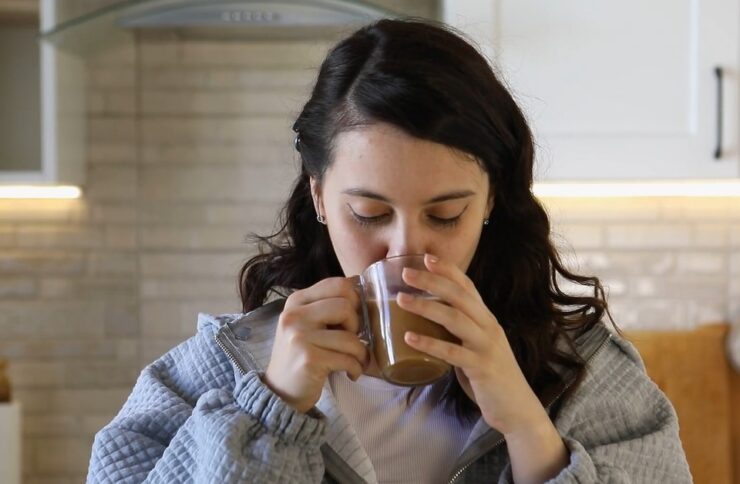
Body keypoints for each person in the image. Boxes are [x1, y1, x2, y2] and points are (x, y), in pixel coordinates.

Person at [86, 17, 692, 484]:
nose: (406, 249)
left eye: (446, 214)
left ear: (490, 202)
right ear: (320, 197)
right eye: (370, 214)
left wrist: (529, 426)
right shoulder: (217, 371)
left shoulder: (588, 374)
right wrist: (270, 408)